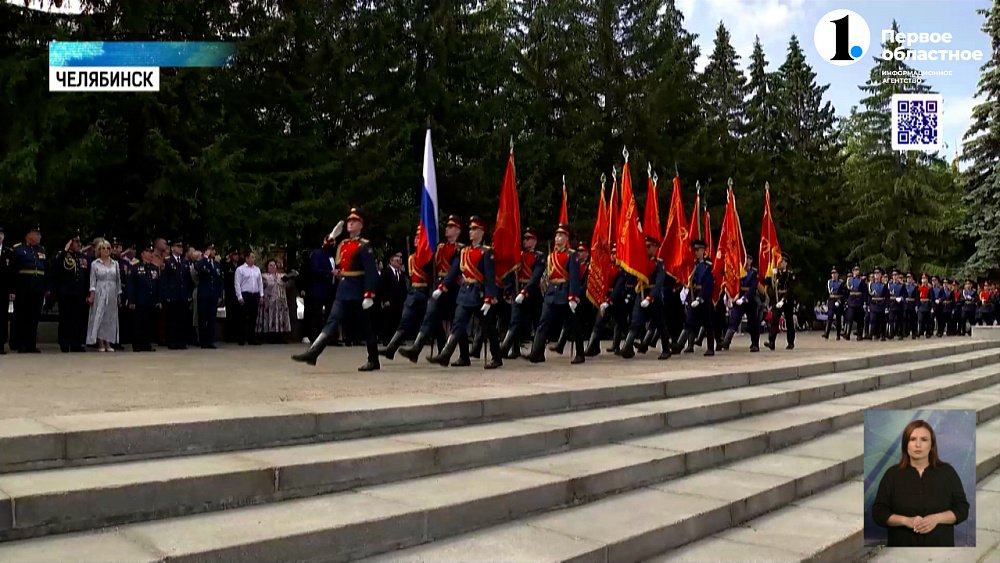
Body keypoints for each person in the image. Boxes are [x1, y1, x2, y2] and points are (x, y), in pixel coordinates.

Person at [292, 208, 380, 371]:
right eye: (349, 221)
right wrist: (331, 236)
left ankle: (373, 359)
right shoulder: (343, 244)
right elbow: (326, 252)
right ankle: (313, 353)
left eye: (354, 221)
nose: (350, 223)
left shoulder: (364, 245)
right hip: (343, 289)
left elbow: (371, 272)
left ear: (361, 225)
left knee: (366, 326)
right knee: (332, 321)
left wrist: (369, 294)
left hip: (358, 289)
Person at [872, 419, 970, 547]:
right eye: (912, 439)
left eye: (924, 440)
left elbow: (962, 508)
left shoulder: (947, 472)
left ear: (931, 445)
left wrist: (936, 519)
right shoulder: (892, 475)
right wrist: (906, 521)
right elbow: (879, 512)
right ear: (906, 444)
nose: (918, 445)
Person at [429, 215, 502, 369]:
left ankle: (496, 357)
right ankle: (446, 355)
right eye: (470, 229)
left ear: (482, 232)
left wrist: (489, 298)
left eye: (474, 229)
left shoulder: (487, 252)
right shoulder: (464, 251)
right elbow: (453, 272)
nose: (471, 231)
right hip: (464, 293)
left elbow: (489, 277)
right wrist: (442, 288)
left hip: (479, 294)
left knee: (488, 327)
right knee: (458, 324)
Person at [398, 215, 464, 363]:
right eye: (447, 226)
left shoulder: (461, 249)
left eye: (451, 227)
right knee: (430, 316)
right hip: (438, 289)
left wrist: (443, 287)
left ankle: (464, 355)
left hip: (453, 289)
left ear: (458, 231)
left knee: (459, 322)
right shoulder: (439, 247)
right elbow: (430, 267)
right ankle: (417, 347)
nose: (447, 229)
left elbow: (453, 270)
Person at [525, 224, 586, 364]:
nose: (557, 238)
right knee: (543, 322)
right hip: (552, 292)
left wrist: (573, 296)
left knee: (573, 323)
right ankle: (537, 352)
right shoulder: (551, 256)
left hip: (565, 293)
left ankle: (580, 354)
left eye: (561, 235)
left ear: (566, 238)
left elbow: (575, 277)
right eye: (557, 235)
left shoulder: (572, 255)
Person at [379, 233, 435, 360]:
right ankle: (391, 348)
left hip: (425, 291)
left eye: (419, 238)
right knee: (404, 321)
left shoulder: (428, 257)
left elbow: (432, 278)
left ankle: (443, 352)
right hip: (414, 293)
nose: (416, 240)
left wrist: (431, 295)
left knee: (432, 323)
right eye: (415, 237)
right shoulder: (412, 258)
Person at [499, 227, 544, 360]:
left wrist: (525, 292)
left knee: (537, 324)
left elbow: (535, 276)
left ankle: (538, 352)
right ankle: (507, 349)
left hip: (532, 293)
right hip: (517, 291)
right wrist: (508, 290)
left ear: (535, 241)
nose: (525, 241)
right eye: (524, 238)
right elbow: (510, 274)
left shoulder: (539, 257)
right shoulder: (518, 256)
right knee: (515, 321)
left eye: (528, 238)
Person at [50, 233, 90, 353]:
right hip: (66, 292)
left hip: (79, 293)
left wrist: (87, 292)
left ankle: (76, 343)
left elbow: (86, 275)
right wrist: (64, 251)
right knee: (65, 319)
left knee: (78, 319)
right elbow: (55, 269)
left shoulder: (83, 257)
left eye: (79, 242)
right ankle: (65, 342)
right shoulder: (62, 256)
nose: (79, 244)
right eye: (76, 242)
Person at [674, 239, 714, 355]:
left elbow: (708, 284)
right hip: (692, 294)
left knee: (707, 323)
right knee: (689, 321)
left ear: (703, 250)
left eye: (697, 250)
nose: (695, 252)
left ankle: (710, 349)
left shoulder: (708, 266)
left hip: (703, 297)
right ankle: (682, 345)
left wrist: (700, 298)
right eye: (694, 250)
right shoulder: (693, 265)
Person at [86, 239, 121, 352]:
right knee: (99, 316)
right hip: (100, 292)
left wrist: (118, 295)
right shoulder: (95, 264)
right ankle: (100, 342)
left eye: (108, 248)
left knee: (110, 318)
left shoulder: (115, 264)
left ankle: (108, 342)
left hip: (112, 292)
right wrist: (92, 294)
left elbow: (118, 281)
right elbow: (92, 280)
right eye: (103, 248)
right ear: (99, 250)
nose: (106, 250)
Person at [128, 243, 161, 352]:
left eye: (152, 252)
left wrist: (158, 300)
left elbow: (157, 285)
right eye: (148, 252)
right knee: (139, 323)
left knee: (149, 323)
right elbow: (131, 285)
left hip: (150, 300)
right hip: (139, 300)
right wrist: (131, 300)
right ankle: (137, 344)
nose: (151, 254)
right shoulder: (135, 267)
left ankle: (146, 344)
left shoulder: (154, 268)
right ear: (142, 254)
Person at [160, 239, 192, 350]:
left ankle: (181, 341)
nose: (180, 248)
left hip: (182, 294)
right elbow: (164, 280)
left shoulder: (184, 262)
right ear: (173, 248)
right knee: (172, 319)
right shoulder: (168, 261)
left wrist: (188, 294)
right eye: (178, 246)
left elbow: (187, 280)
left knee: (182, 319)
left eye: (181, 246)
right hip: (172, 295)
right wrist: (166, 295)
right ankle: (172, 341)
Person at [764, 255, 796, 350]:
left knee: (789, 321)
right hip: (777, 299)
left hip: (787, 300)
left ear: (786, 263)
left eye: (782, 261)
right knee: (774, 320)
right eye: (779, 261)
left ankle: (790, 342)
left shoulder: (790, 274)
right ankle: (771, 342)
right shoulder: (775, 273)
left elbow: (790, 289)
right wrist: (768, 276)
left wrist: (783, 300)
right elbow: (768, 283)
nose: (780, 263)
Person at [195, 244, 223, 348]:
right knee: (203, 318)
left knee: (212, 318)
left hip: (213, 294)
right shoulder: (202, 262)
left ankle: (210, 340)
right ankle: (203, 341)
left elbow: (220, 280)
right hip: (204, 294)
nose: (214, 252)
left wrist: (220, 294)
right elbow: (197, 268)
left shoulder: (217, 264)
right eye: (212, 250)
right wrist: (205, 257)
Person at [257, 259, 292, 343]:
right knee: (269, 317)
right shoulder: (264, 276)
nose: (273, 267)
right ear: (267, 267)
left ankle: (281, 336)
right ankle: (269, 337)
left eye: (274, 265)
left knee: (280, 317)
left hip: (281, 300)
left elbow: (288, 286)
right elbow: (264, 286)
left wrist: (287, 280)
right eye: (270, 265)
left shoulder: (282, 275)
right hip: (269, 301)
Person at [377, 252, 407, 344]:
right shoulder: (386, 273)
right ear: (391, 261)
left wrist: (404, 299)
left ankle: (397, 339)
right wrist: (385, 300)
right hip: (389, 302)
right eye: (397, 261)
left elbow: (403, 288)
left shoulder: (401, 274)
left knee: (397, 321)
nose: (399, 262)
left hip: (399, 302)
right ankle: (386, 339)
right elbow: (382, 288)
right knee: (388, 320)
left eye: (400, 261)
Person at [235, 251, 263, 346]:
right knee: (242, 318)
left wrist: (261, 295)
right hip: (245, 294)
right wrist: (239, 296)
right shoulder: (240, 269)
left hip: (254, 294)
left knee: (253, 317)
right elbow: (237, 283)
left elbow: (260, 283)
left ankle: (252, 338)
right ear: (247, 258)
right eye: (252, 257)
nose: (253, 259)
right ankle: (241, 339)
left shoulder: (257, 269)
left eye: (254, 257)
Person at [221, 248, 242, 343]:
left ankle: (237, 336)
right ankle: (228, 337)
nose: (236, 256)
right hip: (230, 293)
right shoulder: (227, 265)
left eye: (237, 254)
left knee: (238, 315)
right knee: (229, 315)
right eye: (234, 254)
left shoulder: (240, 266)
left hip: (238, 293)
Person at [844, 264, 867, 341]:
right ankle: (847, 334)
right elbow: (847, 292)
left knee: (860, 319)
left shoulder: (862, 280)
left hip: (859, 301)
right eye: (855, 270)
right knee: (849, 317)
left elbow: (864, 292)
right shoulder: (849, 280)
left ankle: (859, 335)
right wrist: (846, 301)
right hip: (851, 301)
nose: (856, 271)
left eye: (857, 270)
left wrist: (864, 302)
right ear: (852, 271)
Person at [0, 225, 12, 354]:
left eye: (1, 233)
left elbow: (11, 273)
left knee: (3, 317)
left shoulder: (8, 252)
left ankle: (1, 344)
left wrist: (11, 290)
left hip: (3, 289)